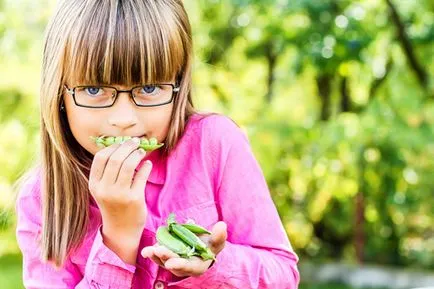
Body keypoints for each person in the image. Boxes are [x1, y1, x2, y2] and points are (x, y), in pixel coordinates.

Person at [15, 0, 300, 288]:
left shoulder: (215, 145)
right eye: (94, 89)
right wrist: (118, 237)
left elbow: (283, 275)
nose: (124, 119)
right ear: (58, 93)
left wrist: (212, 264)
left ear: (178, 85)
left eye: (148, 88)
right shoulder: (41, 200)